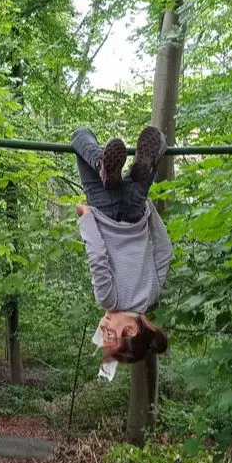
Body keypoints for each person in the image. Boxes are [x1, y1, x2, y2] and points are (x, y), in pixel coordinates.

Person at [72, 126, 172, 367]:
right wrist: (85, 219)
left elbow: (164, 251)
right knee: (80, 135)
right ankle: (102, 167)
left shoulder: (152, 295)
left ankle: (141, 171)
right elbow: (98, 257)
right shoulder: (108, 300)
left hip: (136, 212)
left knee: (158, 139)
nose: (103, 327)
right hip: (105, 211)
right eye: (110, 335)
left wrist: (148, 213)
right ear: (131, 330)